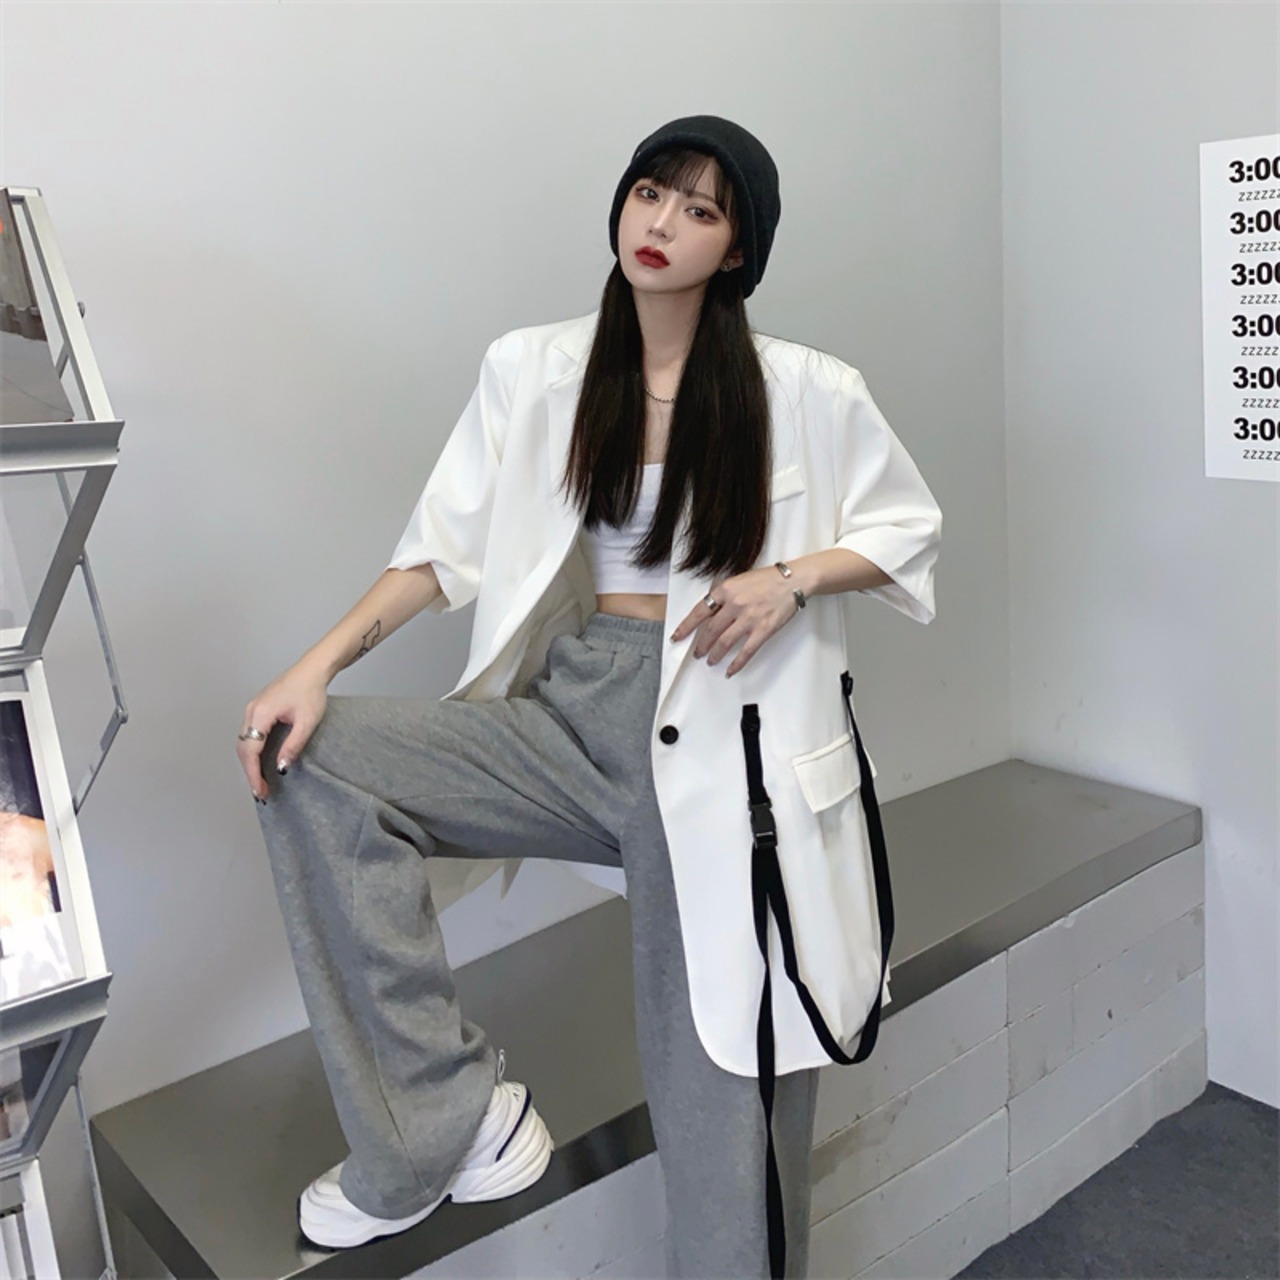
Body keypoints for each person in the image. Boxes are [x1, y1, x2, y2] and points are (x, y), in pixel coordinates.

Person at [237, 115, 942, 1279]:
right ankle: (438, 1118)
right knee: (311, 760)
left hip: (728, 738)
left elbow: (905, 526)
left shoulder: (806, 387)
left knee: (722, 1099)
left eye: (699, 210)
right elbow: (440, 549)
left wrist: (789, 578)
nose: (661, 223)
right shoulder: (534, 369)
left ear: (735, 250)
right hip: (578, 712)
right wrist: (314, 667)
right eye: (650, 192)